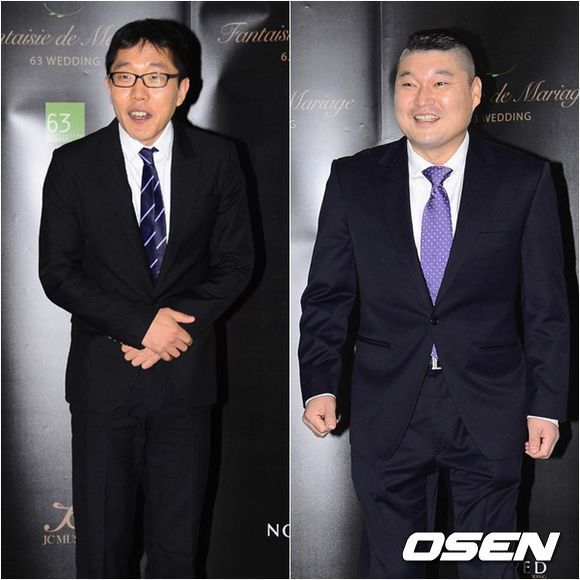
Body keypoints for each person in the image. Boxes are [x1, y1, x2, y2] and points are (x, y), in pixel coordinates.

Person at [298, 28, 569, 578]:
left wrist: (546, 404)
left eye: (441, 83)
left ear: (474, 92)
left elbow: (547, 306)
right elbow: (327, 295)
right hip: (387, 404)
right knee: (392, 568)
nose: (423, 98)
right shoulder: (353, 179)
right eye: (408, 83)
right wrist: (320, 383)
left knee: (489, 568)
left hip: (490, 404)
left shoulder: (525, 180)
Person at [39, 19, 253, 579]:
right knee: (101, 553)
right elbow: (57, 273)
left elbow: (236, 263)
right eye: (124, 76)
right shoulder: (73, 164)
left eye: (155, 77)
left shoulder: (219, 159)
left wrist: (170, 333)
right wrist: (139, 326)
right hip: (104, 383)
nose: (138, 92)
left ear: (182, 89)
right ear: (108, 85)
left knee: (178, 552)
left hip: (185, 380)